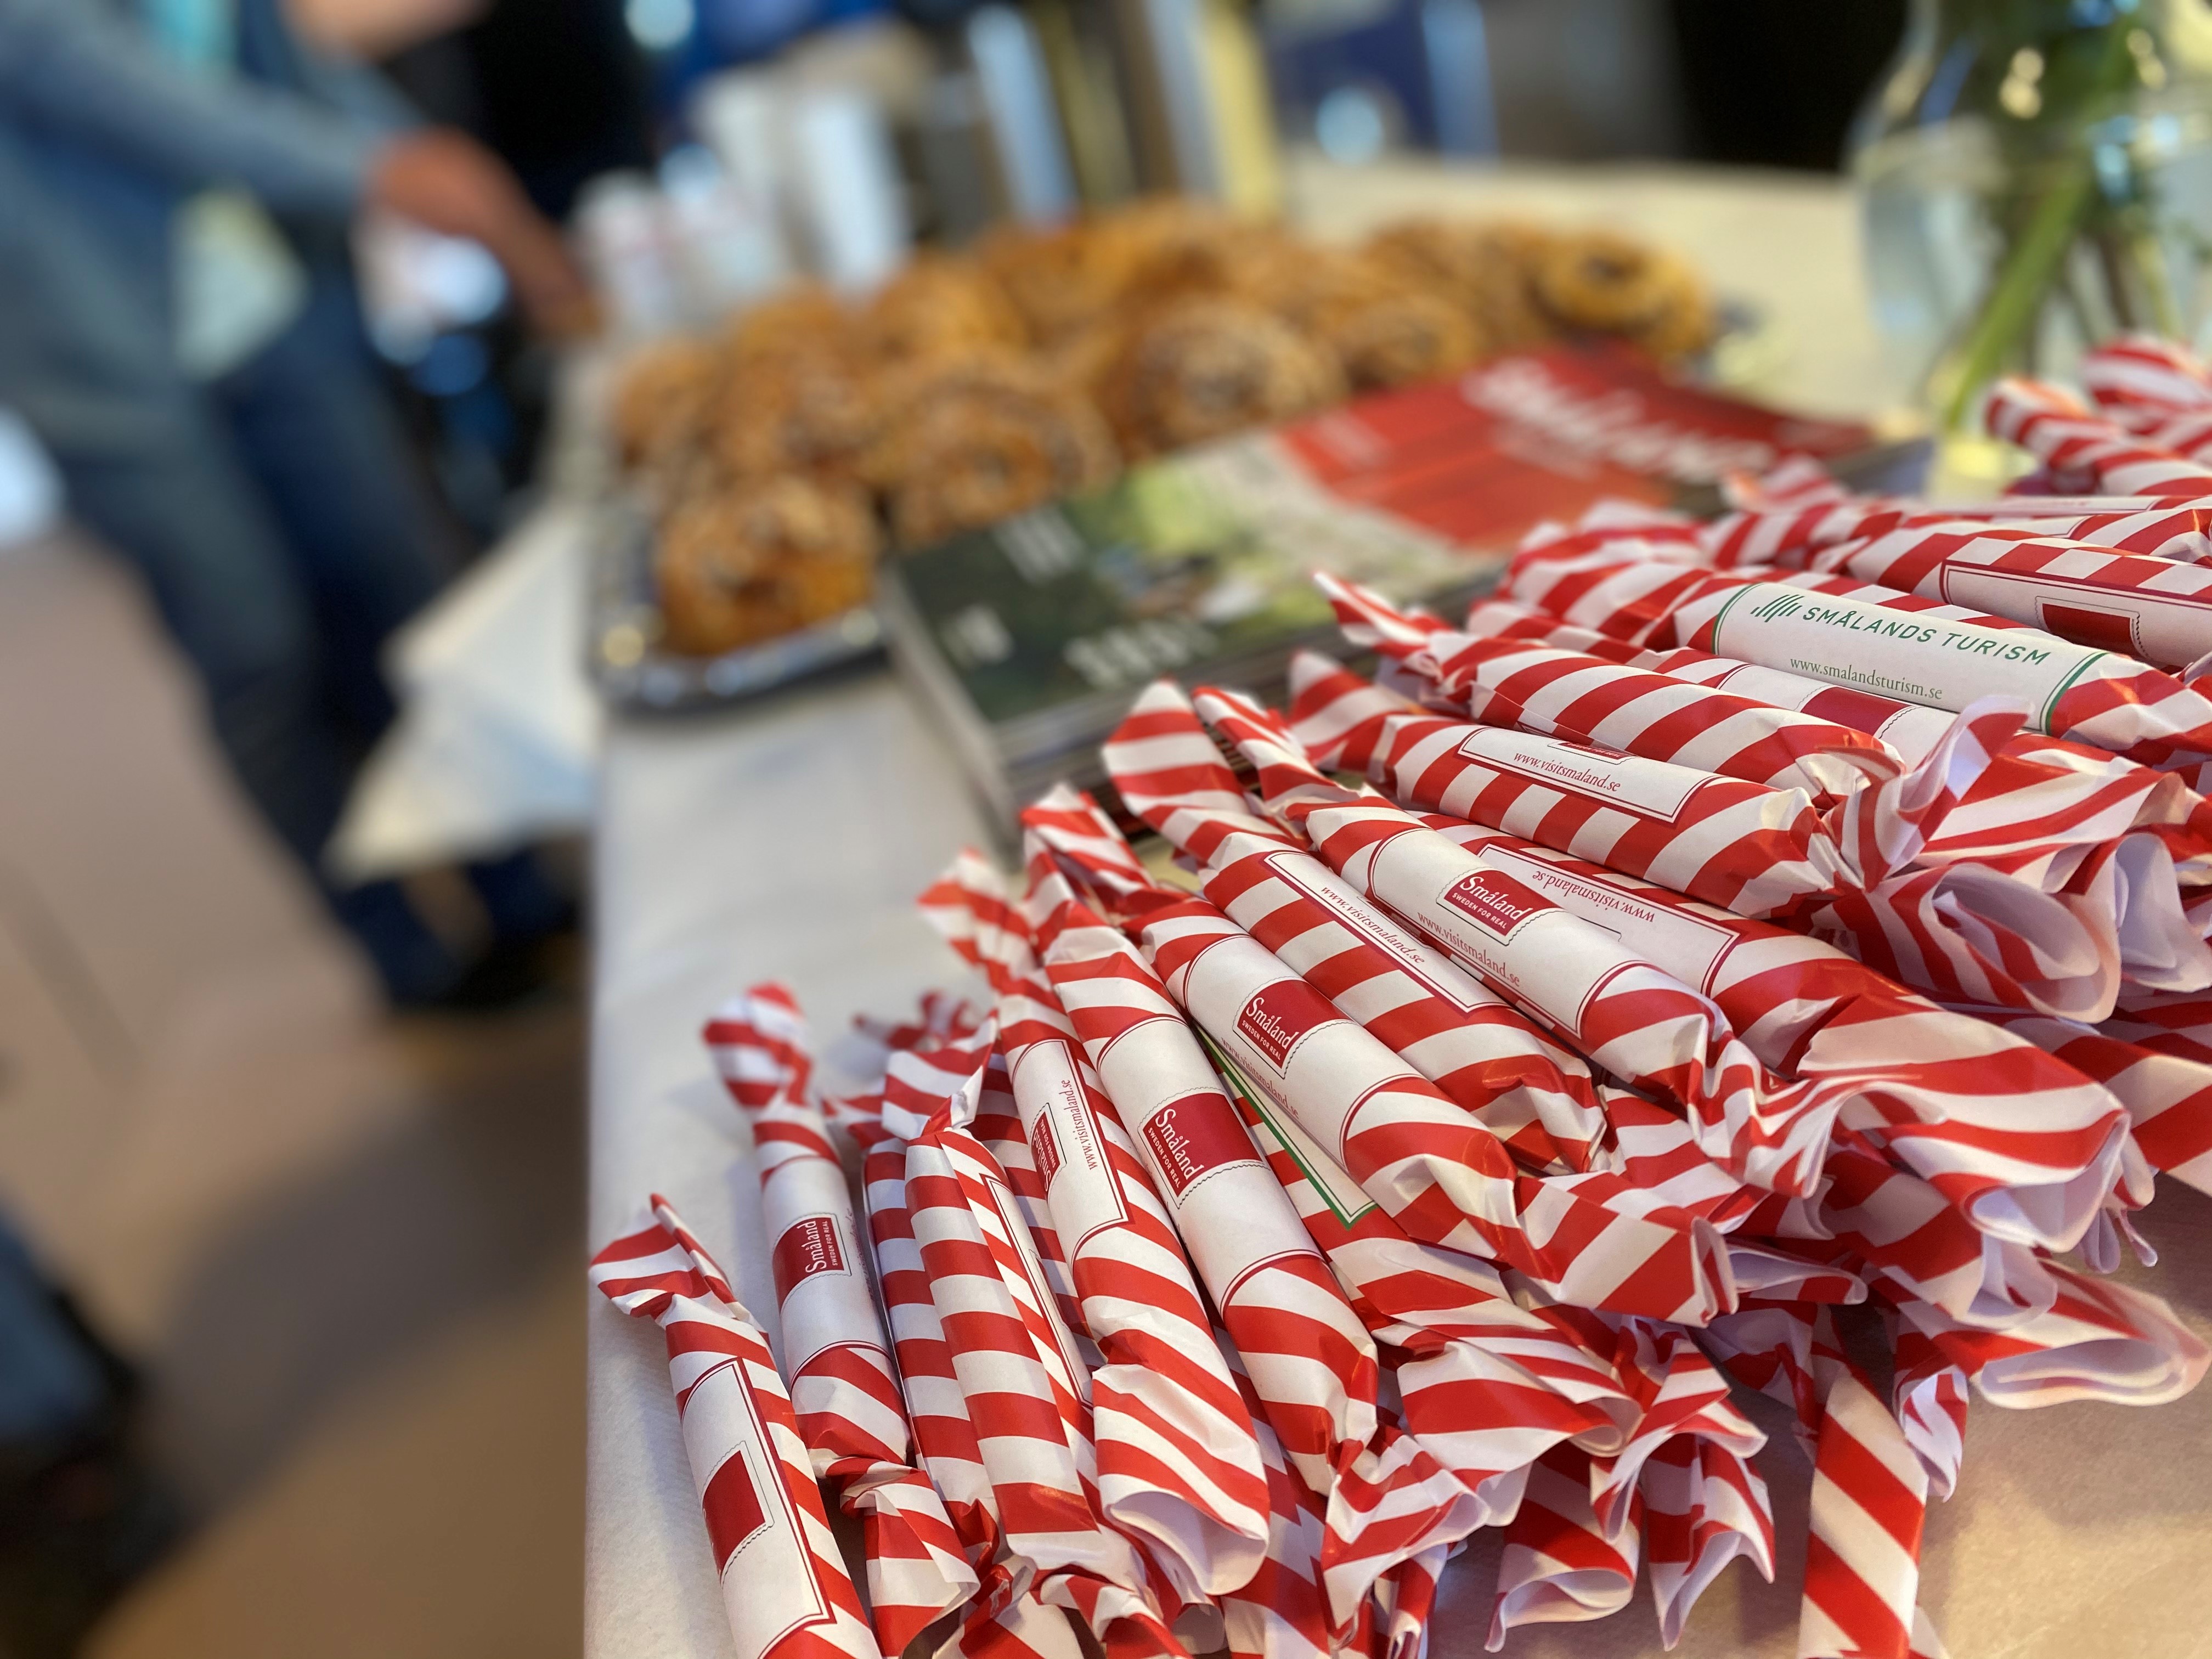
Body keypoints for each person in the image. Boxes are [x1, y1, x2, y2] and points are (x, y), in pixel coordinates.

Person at [0, 0, 590, 1006]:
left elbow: (276, 55)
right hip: (104, 362)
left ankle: (516, 886)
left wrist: (414, 152)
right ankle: (406, 955)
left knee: (398, 593)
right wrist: (381, 171)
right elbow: (132, 97)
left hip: (277, 308)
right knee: (259, 653)